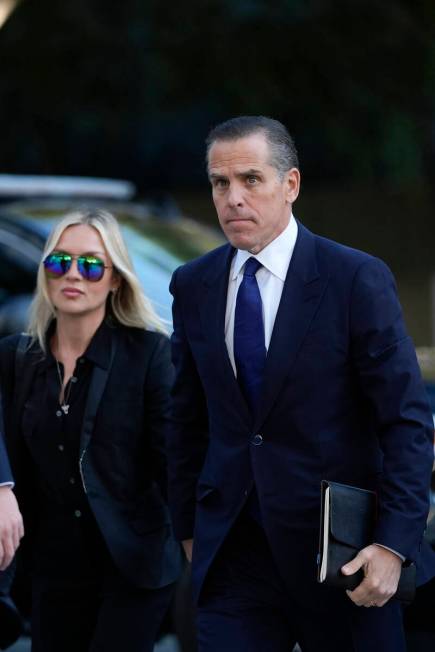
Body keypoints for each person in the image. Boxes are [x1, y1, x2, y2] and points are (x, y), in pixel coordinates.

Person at [167, 116, 435, 652]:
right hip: (235, 557)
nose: (233, 198)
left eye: (250, 179)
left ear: (290, 185)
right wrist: (189, 528)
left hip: (345, 555)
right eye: (221, 183)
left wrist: (395, 545)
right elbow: (187, 416)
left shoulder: (355, 278)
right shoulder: (193, 284)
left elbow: (405, 419)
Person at [0, 209, 182, 652]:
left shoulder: (150, 355)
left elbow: (176, 460)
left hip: (132, 566)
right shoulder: (16, 357)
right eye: (60, 262)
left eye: (91, 264)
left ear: (115, 278)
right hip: (51, 569)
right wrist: (2, 486)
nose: (73, 275)